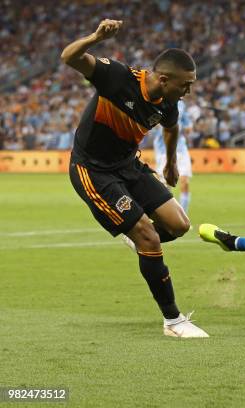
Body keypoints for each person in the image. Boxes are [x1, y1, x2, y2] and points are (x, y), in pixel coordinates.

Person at [61, 19, 207, 338]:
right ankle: (173, 320)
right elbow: (69, 57)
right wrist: (96, 37)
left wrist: (168, 165)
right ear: (164, 78)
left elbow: (171, 128)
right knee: (149, 237)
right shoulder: (117, 77)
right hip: (93, 170)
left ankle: (134, 237)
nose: (189, 91)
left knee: (179, 225)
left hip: (129, 165)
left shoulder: (168, 104)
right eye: (186, 85)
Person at [152, 99, 193, 213]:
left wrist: (187, 128)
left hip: (180, 148)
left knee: (185, 181)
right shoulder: (156, 101)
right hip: (163, 150)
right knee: (165, 186)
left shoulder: (181, 104)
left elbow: (187, 125)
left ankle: (183, 215)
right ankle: (166, 217)